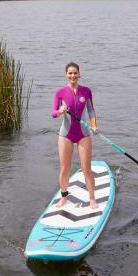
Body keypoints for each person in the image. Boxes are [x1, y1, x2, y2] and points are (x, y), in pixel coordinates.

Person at [52, 62, 100, 210]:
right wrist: (60, 111)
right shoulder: (60, 92)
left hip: (83, 134)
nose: (72, 76)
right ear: (66, 74)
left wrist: (94, 126)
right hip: (65, 135)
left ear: (79, 74)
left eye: (75, 73)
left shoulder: (86, 91)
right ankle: (64, 197)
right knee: (64, 169)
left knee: (86, 169)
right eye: (70, 73)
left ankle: (92, 198)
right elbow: (53, 113)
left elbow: (91, 111)